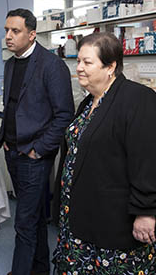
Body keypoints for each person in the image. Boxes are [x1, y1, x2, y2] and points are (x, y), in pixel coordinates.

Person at [52, 32, 156, 274]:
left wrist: (146, 212)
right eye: (78, 61)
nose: (78, 68)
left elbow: (148, 161)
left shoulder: (138, 100)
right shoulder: (89, 102)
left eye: (87, 62)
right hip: (81, 218)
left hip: (114, 224)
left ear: (110, 67)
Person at [0, 8, 74, 275]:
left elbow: (64, 115)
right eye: (6, 30)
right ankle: (40, 270)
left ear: (32, 34)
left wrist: (39, 150)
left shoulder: (51, 65)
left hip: (34, 156)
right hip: (12, 151)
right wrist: (5, 138)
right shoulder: (10, 64)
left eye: (15, 31)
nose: (8, 36)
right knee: (35, 219)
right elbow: (12, 106)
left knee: (24, 222)